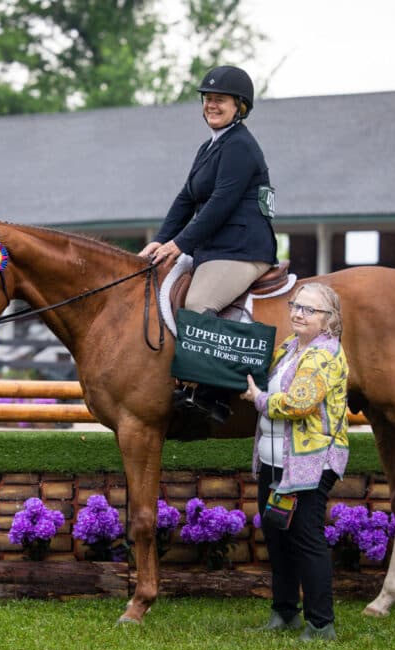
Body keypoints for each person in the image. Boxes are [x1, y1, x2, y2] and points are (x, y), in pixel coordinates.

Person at [138, 64, 277, 422]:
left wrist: (180, 244)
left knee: (198, 303)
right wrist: (160, 241)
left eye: (220, 101)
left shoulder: (241, 147)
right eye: (208, 99)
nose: (211, 105)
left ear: (240, 107)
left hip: (242, 250)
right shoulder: (209, 147)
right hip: (213, 248)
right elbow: (186, 198)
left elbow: (221, 204)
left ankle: (212, 393)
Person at [240, 282, 349, 641]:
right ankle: (284, 612)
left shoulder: (324, 355)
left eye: (309, 310)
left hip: (311, 463)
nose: (298, 313)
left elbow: (298, 403)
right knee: (277, 535)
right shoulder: (289, 347)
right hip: (276, 462)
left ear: (329, 320)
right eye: (296, 306)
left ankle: (321, 623)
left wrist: (259, 399)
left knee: (306, 538)